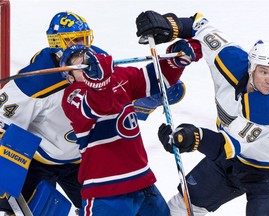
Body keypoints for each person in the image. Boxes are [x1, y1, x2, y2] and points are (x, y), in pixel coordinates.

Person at [135, 11, 269, 216]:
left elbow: (225, 146)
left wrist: (192, 137)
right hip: (229, 163)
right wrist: (170, 26)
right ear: (251, 68)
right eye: (264, 71)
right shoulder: (230, 58)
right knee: (182, 208)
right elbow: (199, 25)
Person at [59, 36, 202, 215]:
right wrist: (99, 80)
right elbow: (99, 106)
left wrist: (177, 60)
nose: (83, 58)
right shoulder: (72, 95)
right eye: (75, 60)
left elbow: (157, 78)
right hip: (105, 189)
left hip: (142, 182)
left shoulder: (119, 77)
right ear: (70, 77)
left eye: (85, 53)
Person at [0, 11, 108, 215]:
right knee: (31, 210)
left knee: (106, 209)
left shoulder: (99, 63)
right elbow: (2, 117)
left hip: (82, 158)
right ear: (56, 43)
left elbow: (124, 94)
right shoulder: (35, 82)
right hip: (41, 161)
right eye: (73, 40)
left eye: (84, 38)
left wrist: (153, 89)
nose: (81, 46)